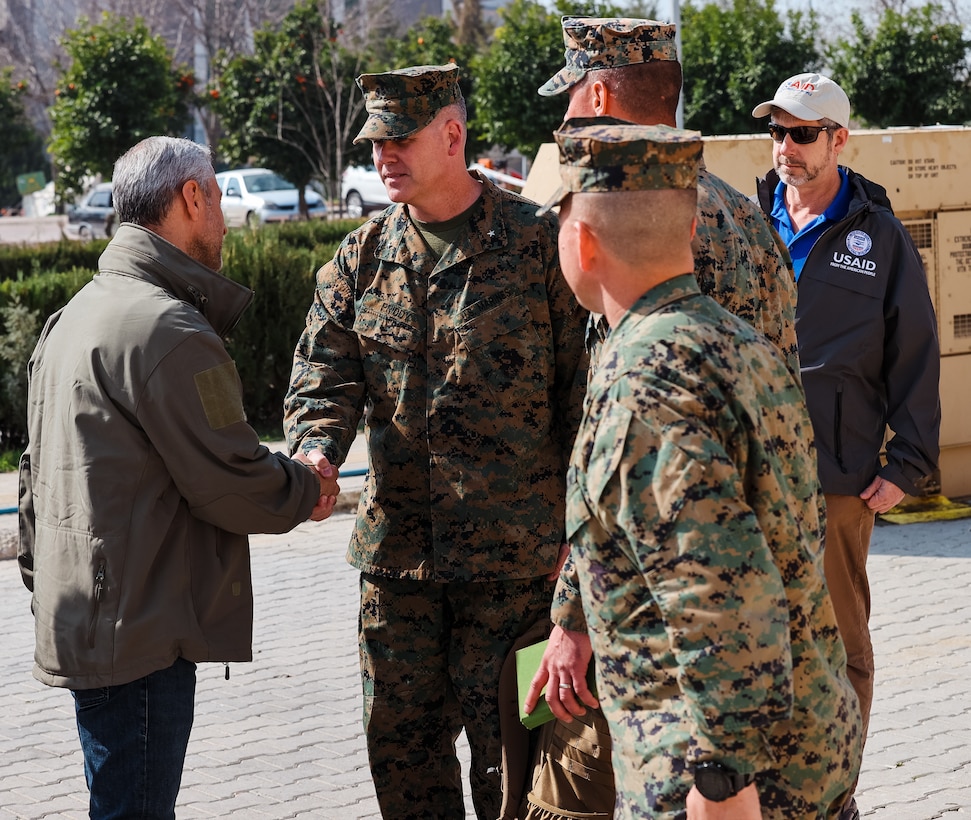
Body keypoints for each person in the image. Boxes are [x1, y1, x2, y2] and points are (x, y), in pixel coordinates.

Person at [283, 64, 587, 820]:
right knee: (403, 760)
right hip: (398, 569)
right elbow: (323, 378)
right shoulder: (358, 259)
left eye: (399, 138)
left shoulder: (539, 246)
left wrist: (580, 543)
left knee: (518, 766)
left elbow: (586, 404)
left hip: (515, 570)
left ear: (451, 136)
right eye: (374, 140)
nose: (382, 154)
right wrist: (315, 450)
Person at [515, 18, 801, 818]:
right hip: (772, 626)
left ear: (598, 93)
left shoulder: (625, 219)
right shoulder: (744, 217)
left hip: (664, 634)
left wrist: (570, 612)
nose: (565, 125)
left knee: (575, 790)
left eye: (570, 103)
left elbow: (646, 471)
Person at [540, 117, 862, 819]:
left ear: (582, 242)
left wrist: (722, 779)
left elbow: (715, 594)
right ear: (689, 234)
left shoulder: (644, 381)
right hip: (809, 746)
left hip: (721, 782)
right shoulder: (737, 341)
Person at [17, 136, 341, 819]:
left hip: (87, 614)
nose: (224, 218)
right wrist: (307, 487)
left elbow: (31, 482)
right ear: (191, 199)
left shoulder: (77, 314)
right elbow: (227, 477)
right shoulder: (167, 330)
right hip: (140, 629)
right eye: (218, 198)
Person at [751, 73, 941, 819]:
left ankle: (834, 793)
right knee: (750, 637)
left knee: (838, 646)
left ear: (838, 139)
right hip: (747, 471)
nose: (785, 149)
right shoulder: (742, 222)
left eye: (802, 134)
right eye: (777, 133)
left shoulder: (878, 234)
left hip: (837, 475)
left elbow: (915, 353)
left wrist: (907, 464)